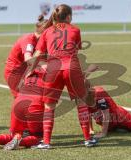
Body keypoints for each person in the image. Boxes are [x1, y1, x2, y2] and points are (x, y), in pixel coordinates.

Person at [26, 4, 98, 149]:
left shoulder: (47, 32)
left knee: (49, 106)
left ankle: (46, 142)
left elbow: (38, 55)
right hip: (72, 67)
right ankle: (87, 139)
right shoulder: (76, 29)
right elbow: (77, 48)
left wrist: (30, 70)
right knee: (81, 102)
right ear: (69, 17)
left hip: (53, 69)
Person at [0, 66, 46, 151]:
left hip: (18, 104)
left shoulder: (30, 69)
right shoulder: (52, 73)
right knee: (37, 139)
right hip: (34, 105)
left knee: (13, 136)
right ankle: (19, 141)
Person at [4, 15, 50, 98]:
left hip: (26, 70)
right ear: (45, 32)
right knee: (23, 99)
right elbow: (28, 59)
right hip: (15, 72)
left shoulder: (42, 42)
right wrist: (44, 65)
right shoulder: (29, 40)